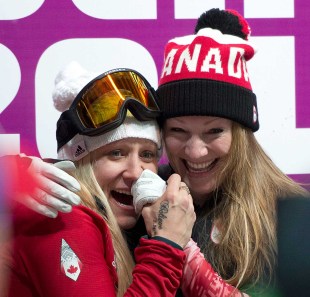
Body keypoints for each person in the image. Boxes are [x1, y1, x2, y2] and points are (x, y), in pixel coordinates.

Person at [0, 62, 196, 297]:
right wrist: (167, 244)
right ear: (79, 163)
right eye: (116, 153)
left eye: (147, 154)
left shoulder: (135, 218)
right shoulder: (62, 216)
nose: (136, 172)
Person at [155, 7, 309, 296]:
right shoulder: (146, 199)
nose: (196, 151)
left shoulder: (289, 216)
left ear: (241, 133)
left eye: (214, 131)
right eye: (178, 131)